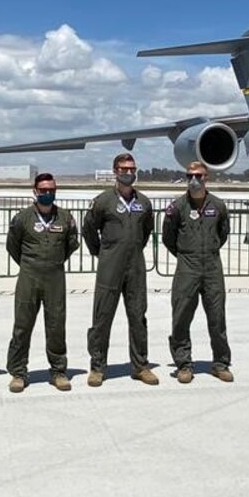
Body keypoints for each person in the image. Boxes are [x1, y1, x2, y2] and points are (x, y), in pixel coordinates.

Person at [82, 152, 158, 387]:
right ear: (115, 171)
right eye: (123, 169)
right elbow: (89, 229)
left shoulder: (144, 202)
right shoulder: (103, 201)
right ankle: (97, 366)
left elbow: (146, 231)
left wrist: (132, 249)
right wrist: (103, 253)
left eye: (132, 169)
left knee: (137, 317)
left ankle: (140, 365)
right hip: (109, 267)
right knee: (102, 317)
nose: (128, 173)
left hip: (135, 266)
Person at [6, 172, 78, 391]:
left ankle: (58, 370)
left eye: (51, 190)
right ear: (35, 192)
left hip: (55, 276)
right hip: (29, 275)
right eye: (43, 190)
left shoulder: (65, 217)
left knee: (56, 324)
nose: (47, 194)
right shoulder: (22, 218)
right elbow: (13, 246)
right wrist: (31, 264)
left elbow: (72, 244)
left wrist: (53, 261)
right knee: (22, 324)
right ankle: (18, 372)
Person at [163, 162, 233, 383]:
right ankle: (183, 363)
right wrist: (186, 255)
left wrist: (207, 251)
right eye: (190, 175)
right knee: (181, 315)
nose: (195, 180)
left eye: (199, 175)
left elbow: (223, 234)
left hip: (212, 265)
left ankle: (220, 363)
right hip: (187, 265)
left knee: (217, 317)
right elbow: (168, 237)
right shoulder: (177, 207)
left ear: (207, 177)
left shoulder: (218, 206)